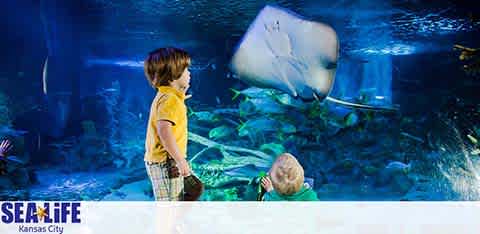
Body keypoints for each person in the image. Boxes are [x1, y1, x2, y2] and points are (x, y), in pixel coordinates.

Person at [143, 47, 192, 201]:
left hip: (164, 161)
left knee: (173, 202)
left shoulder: (167, 96)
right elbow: (164, 131)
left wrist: (180, 95)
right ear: (173, 75)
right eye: (185, 70)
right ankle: (167, 226)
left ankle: (172, 225)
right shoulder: (170, 99)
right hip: (167, 162)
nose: (189, 73)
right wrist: (180, 160)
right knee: (170, 205)